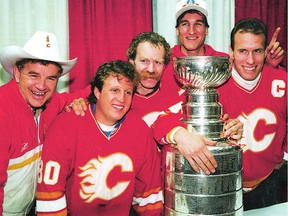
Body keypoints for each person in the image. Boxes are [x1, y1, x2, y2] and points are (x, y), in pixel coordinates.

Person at [36, 60, 163, 216]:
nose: (122, 99)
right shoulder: (65, 126)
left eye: (128, 92)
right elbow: (50, 196)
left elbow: (149, 198)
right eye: (114, 90)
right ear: (97, 92)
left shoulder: (140, 130)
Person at [0, 31, 78, 215]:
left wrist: (79, 102)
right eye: (34, 75)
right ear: (17, 73)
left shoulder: (51, 102)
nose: (42, 86)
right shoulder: (2, 111)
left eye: (51, 78)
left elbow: (79, 96)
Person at [217, 18, 287, 210]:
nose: (250, 60)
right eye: (243, 51)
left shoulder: (280, 79)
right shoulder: (215, 84)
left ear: (266, 52)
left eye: (257, 51)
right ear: (230, 51)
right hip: (225, 189)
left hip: (271, 184)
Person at [162, 0, 285, 91]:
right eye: (185, 24)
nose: (192, 31)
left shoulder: (225, 62)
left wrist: (268, 66)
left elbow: (250, 87)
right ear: (177, 30)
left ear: (206, 30)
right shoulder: (163, 61)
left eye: (198, 24)